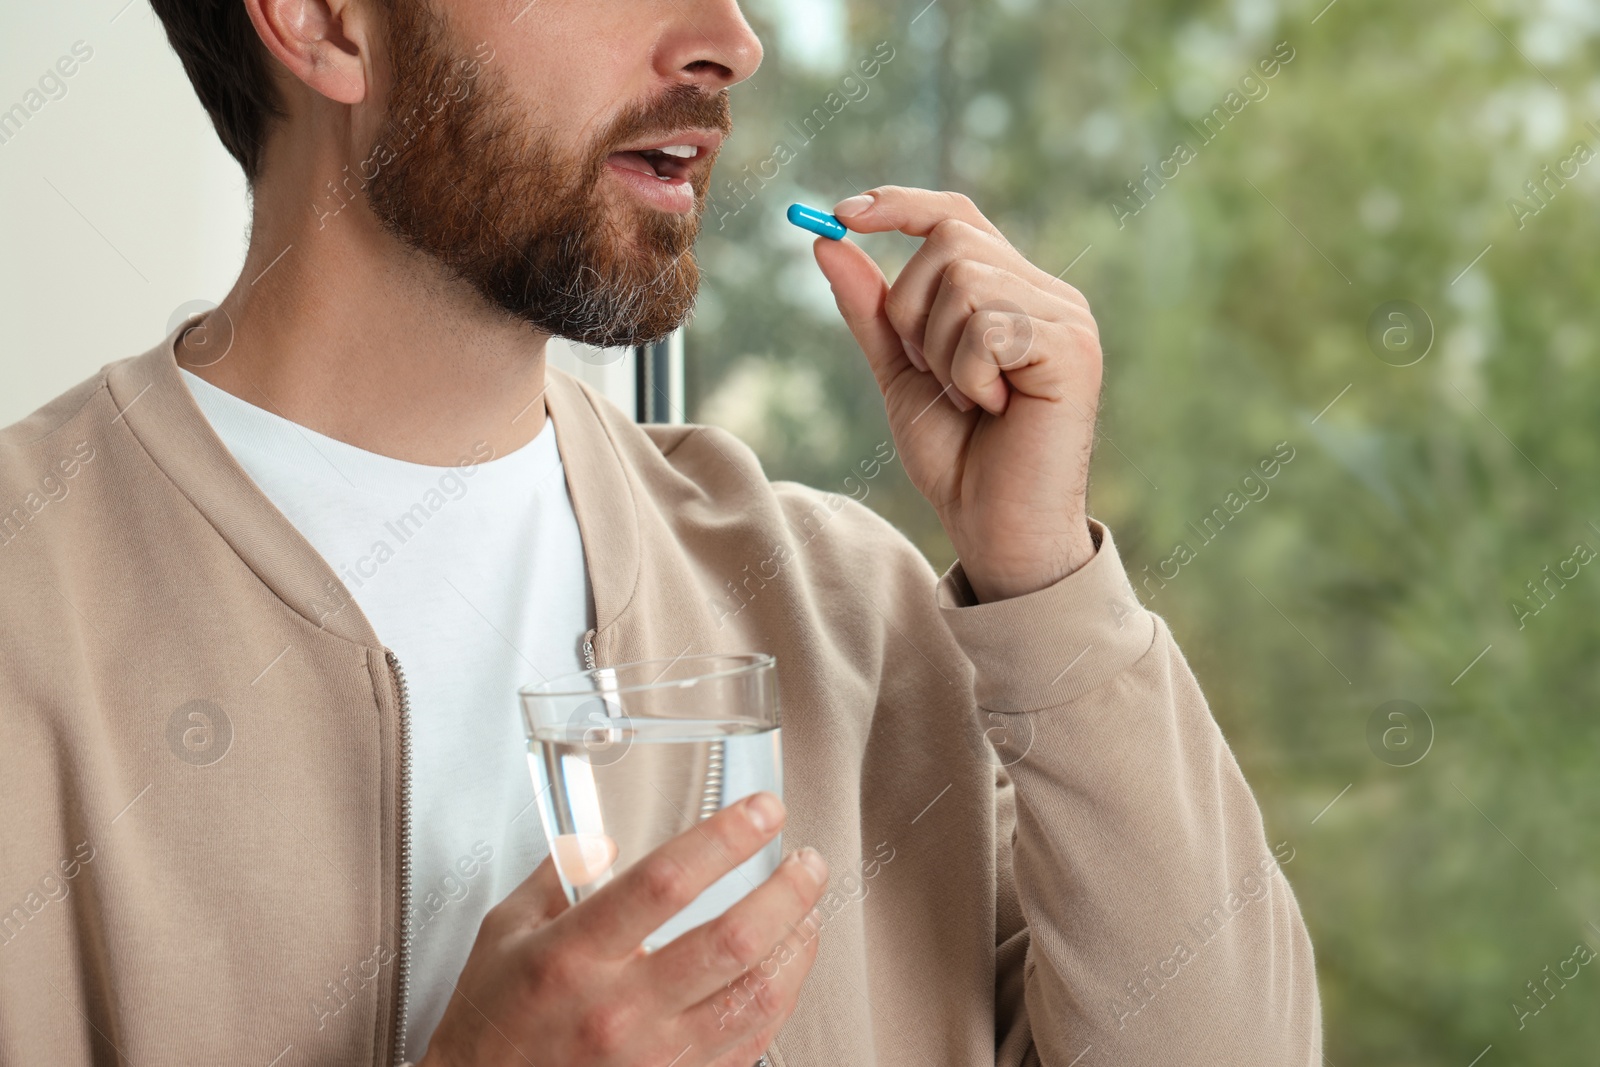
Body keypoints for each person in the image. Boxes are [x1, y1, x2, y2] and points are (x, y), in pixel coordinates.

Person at [0, 0, 1321, 1064]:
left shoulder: (852, 612)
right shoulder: (27, 609)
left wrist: (1046, 585)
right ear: (327, 23)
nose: (729, 39)